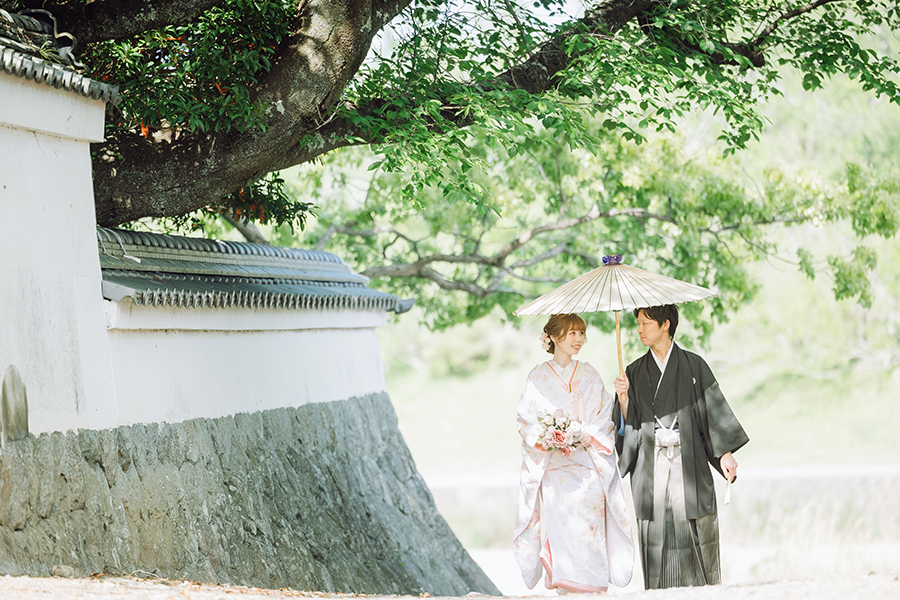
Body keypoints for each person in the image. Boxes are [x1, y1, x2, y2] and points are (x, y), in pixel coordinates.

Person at [613, 304, 749, 589]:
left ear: (665, 324)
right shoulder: (634, 372)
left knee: (696, 523)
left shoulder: (693, 365)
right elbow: (628, 427)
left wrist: (725, 452)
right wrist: (624, 400)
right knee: (657, 532)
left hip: (689, 461)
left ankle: (702, 590)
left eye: (646, 323)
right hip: (651, 465)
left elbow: (712, 408)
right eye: (637, 323)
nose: (639, 330)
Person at [513, 313, 634, 594]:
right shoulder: (538, 377)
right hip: (555, 470)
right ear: (554, 338)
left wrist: (580, 434)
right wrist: (550, 435)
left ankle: (592, 588)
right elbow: (525, 419)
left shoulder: (589, 373)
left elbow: (605, 417)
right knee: (563, 531)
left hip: (587, 468)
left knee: (589, 532)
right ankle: (565, 586)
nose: (579, 339)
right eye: (572, 334)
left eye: (581, 333)